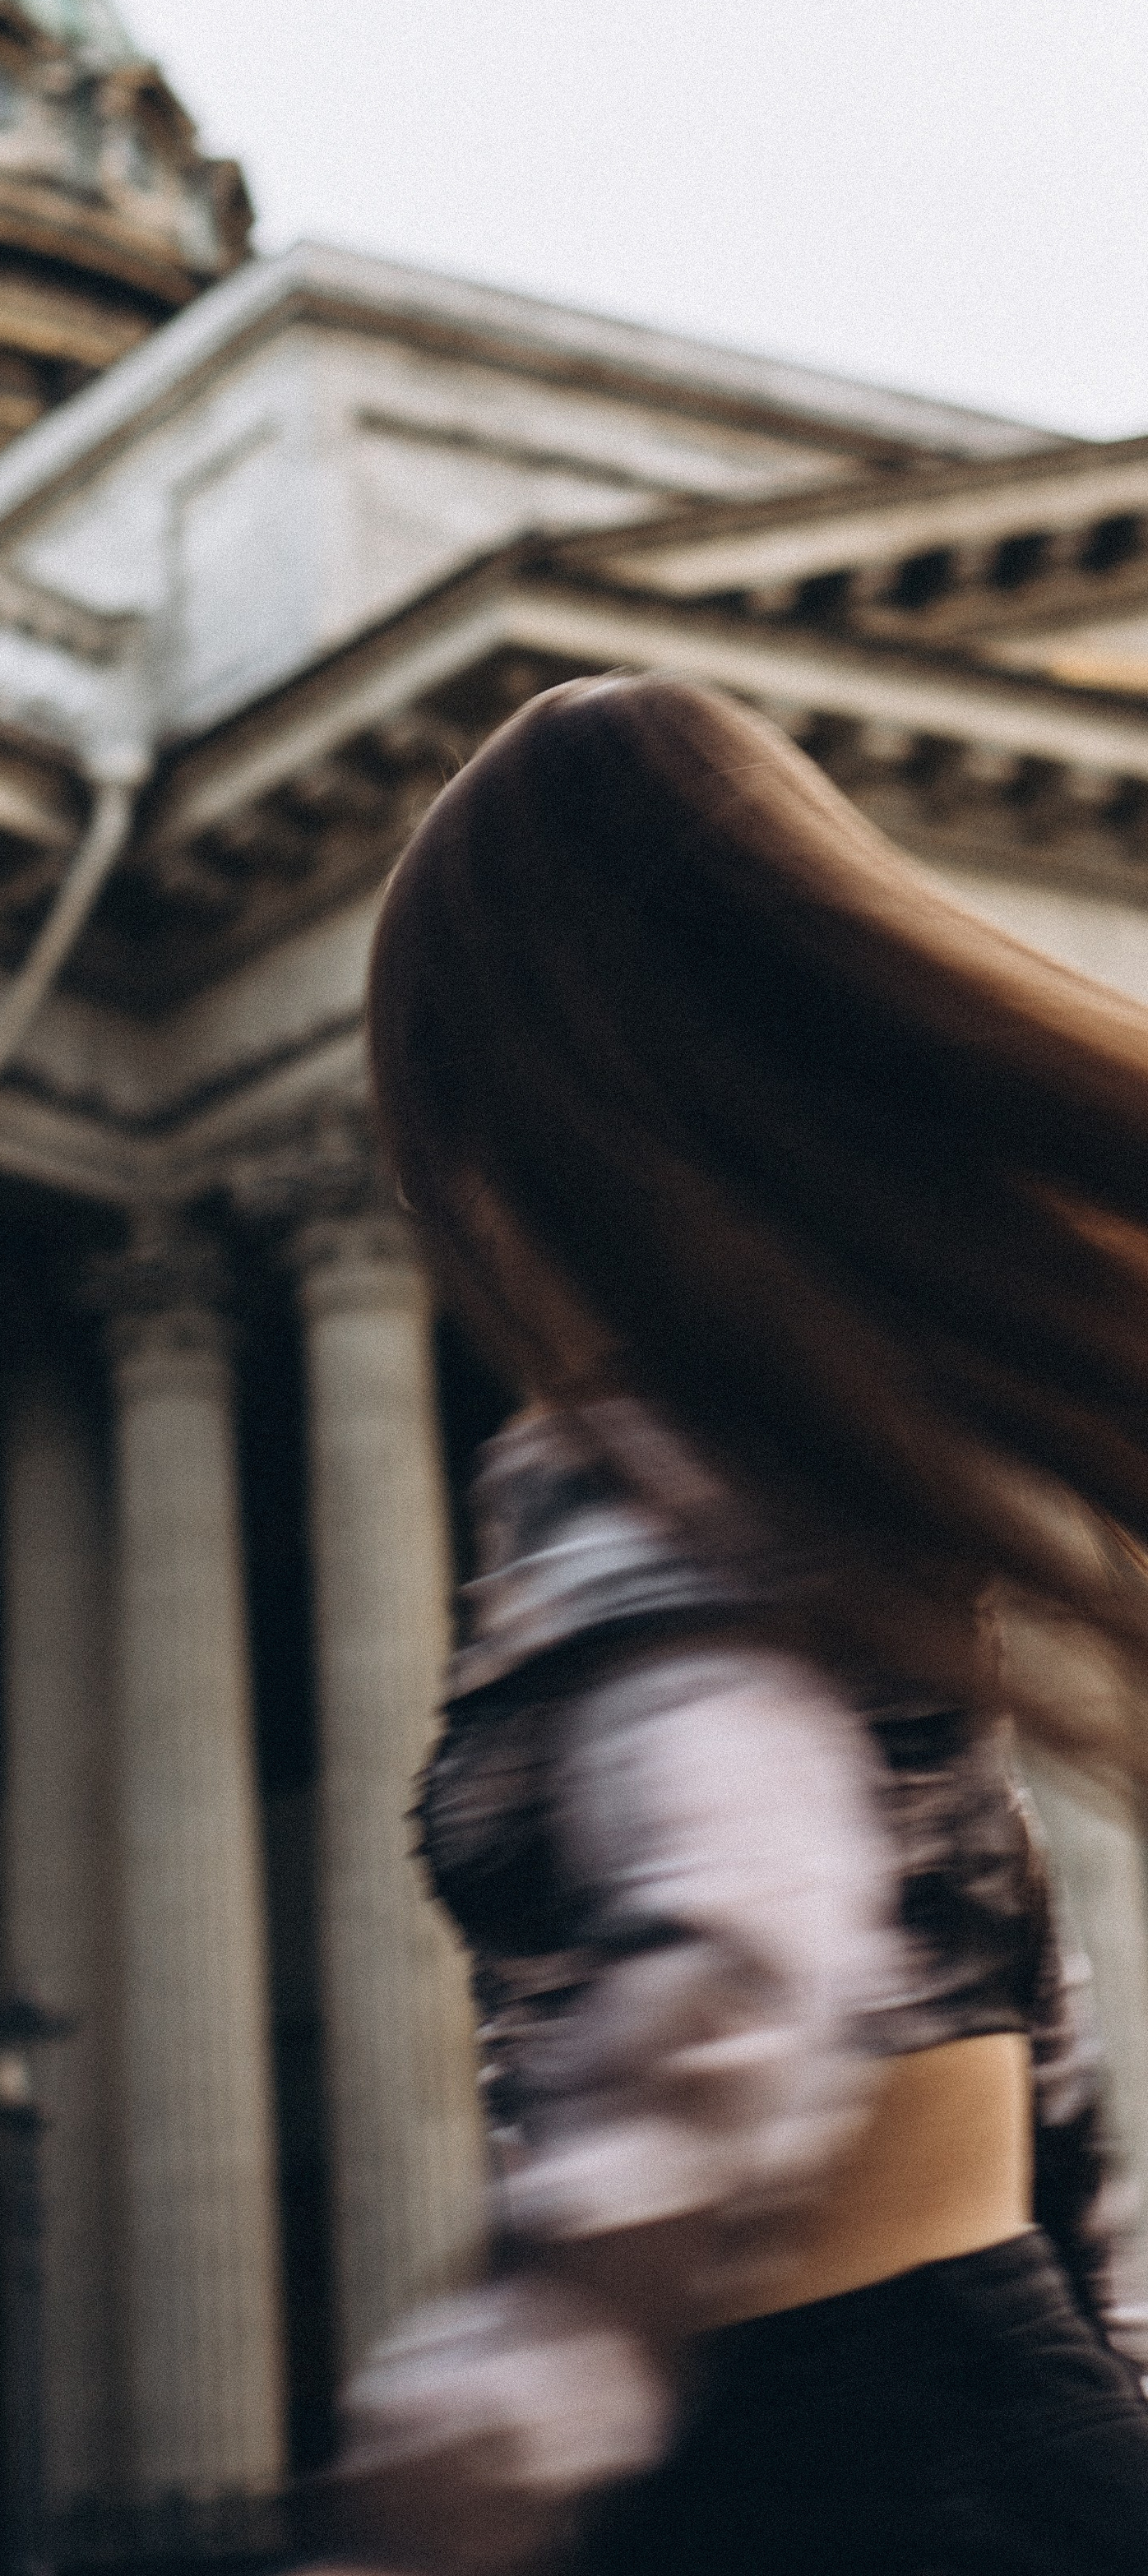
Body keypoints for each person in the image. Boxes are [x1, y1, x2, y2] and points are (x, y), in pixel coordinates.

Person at [340, 671, 1148, 2574]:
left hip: (806, 2462)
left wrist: (509, 2389)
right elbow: (1028, 2018)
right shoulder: (837, 1458)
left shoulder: (625, 1459)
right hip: (1018, 2429)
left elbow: (735, 1949)